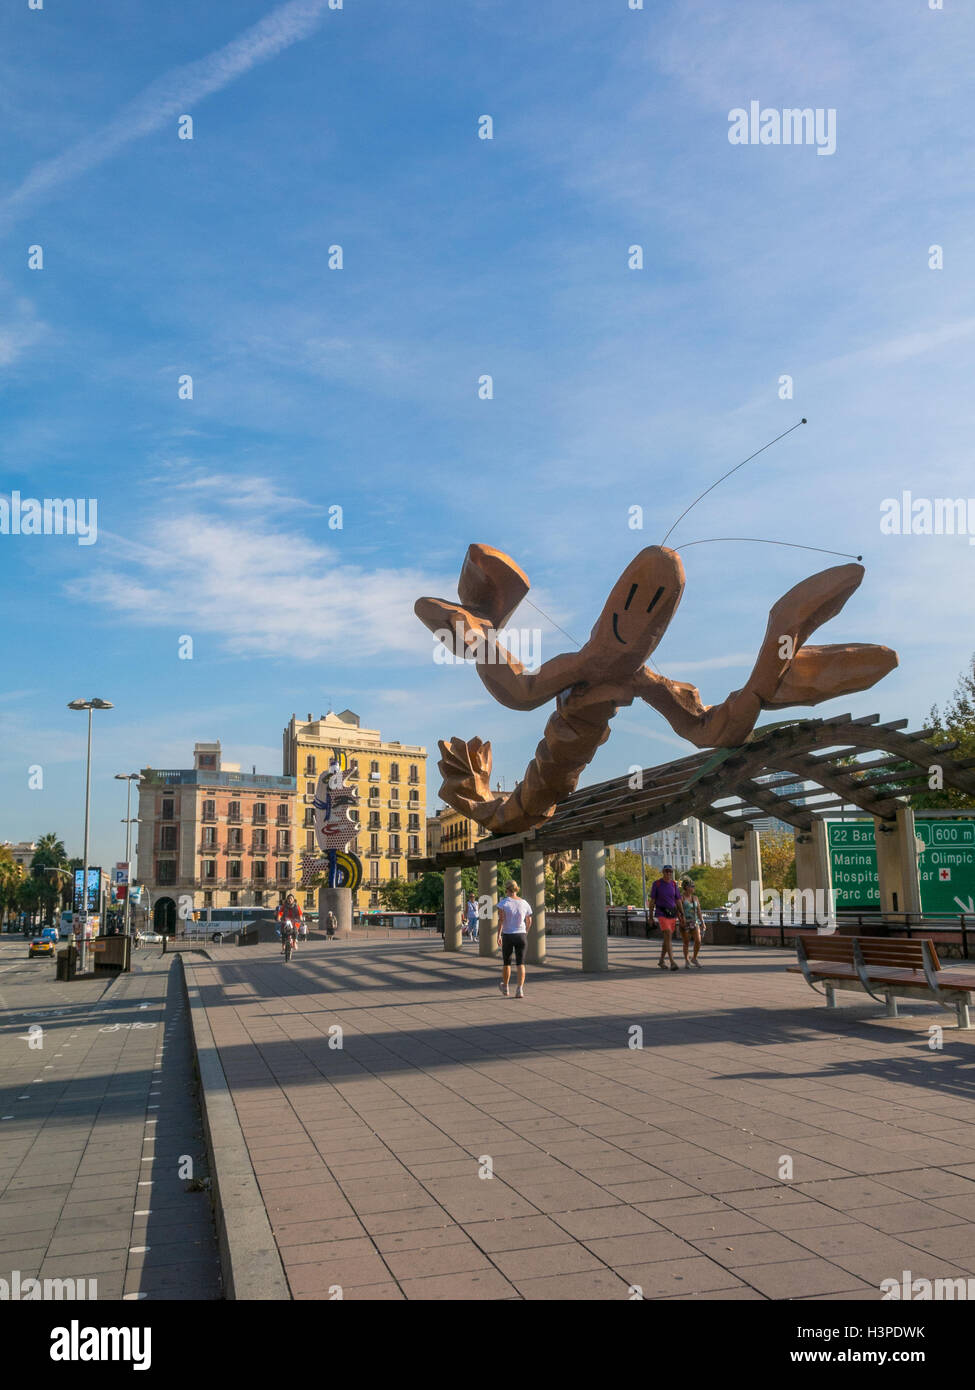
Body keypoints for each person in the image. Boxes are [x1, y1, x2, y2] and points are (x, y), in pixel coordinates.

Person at [495, 881, 532, 998]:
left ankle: (505, 987)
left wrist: (498, 935)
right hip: (521, 935)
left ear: (507, 889)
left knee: (507, 963)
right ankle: (520, 990)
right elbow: (529, 920)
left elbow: (501, 920)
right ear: (516, 889)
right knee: (521, 963)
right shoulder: (524, 903)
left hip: (508, 935)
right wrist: (525, 932)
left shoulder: (503, 903)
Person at [650, 865, 684, 972]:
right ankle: (672, 962)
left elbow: (678, 900)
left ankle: (661, 960)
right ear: (663, 872)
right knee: (668, 934)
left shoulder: (674, 884)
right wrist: (650, 917)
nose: (669, 873)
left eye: (670, 872)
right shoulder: (657, 884)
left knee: (667, 938)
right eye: (666, 871)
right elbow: (652, 902)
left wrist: (682, 914)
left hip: (672, 913)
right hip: (661, 912)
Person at [679, 877, 704, 969]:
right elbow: (678, 911)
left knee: (698, 940)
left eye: (693, 886)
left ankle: (694, 958)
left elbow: (699, 911)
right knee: (686, 942)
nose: (693, 888)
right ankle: (687, 960)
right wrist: (681, 920)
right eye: (691, 886)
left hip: (694, 922)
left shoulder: (695, 898)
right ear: (686, 887)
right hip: (685, 922)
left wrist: (702, 922)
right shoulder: (681, 898)